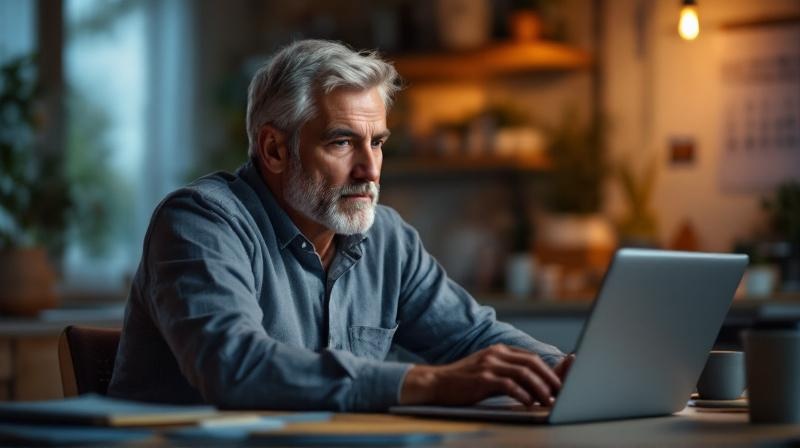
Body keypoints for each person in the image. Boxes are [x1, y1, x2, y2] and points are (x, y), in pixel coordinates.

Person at [108, 39, 573, 411]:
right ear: (273, 149)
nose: (370, 169)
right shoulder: (200, 222)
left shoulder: (386, 238)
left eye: (378, 142)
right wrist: (429, 382)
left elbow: (472, 338)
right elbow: (234, 366)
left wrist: (564, 371)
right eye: (342, 142)